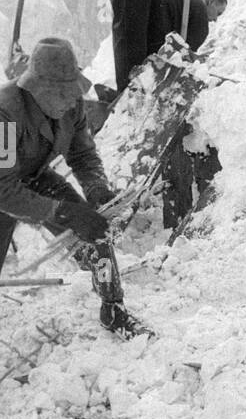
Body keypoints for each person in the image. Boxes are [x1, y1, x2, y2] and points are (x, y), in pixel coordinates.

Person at [0, 38, 148, 338]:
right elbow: (2, 189)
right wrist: (62, 212)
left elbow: (82, 154)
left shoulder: (72, 104)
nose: (73, 100)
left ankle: (113, 306)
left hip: (35, 174)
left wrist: (96, 190)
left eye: (73, 91)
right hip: (2, 186)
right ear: (39, 90)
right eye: (63, 93)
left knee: (95, 235)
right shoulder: (4, 114)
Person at [163, 0, 228, 52]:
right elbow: (184, 57)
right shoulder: (200, 14)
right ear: (212, 1)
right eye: (218, 13)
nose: (215, 19)